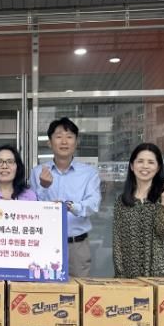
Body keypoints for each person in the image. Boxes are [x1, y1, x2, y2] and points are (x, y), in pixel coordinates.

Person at [30, 117, 101, 277]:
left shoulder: (89, 173)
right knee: (45, 288)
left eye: (69, 137)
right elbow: (32, 208)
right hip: (44, 243)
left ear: (76, 142)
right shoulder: (37, 172)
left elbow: (93, 204)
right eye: (58, 136)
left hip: (77, 245)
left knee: (78, 289)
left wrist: (70, 206)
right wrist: (44, 186)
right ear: (49, 142)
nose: (64, 141)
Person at [112, 142, 164, 278]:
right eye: (140, 161)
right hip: (131, 276)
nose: (145, 166)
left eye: (151, 162)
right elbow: (117, 242)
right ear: (132, 166)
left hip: (161, 274)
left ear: (158, 167)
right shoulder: (122, 200)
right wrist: (120, 275)